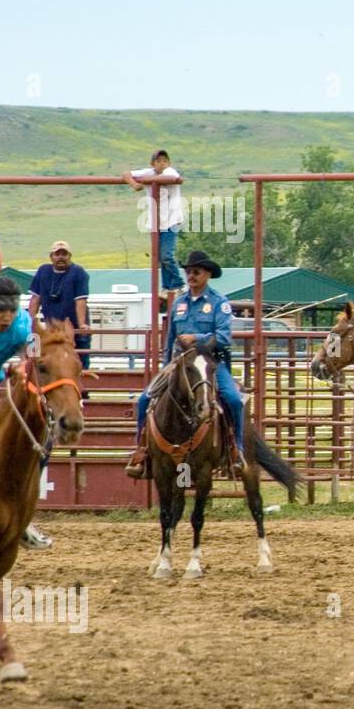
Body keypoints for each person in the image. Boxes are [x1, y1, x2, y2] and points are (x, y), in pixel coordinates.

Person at [125, 251, 245, 478]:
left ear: (207, 274)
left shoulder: (219, 303)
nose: (191, 275)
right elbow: (170, 340)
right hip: (179, 363)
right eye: (188, 271)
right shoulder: (179, 303)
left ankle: (236, 450)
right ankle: (142, 450)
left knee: (233, 400)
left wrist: (196, 339)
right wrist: (166, 366)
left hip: (209, 363)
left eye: (196, 271)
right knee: (144, 399)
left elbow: (224, 336)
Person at [0, 277, 55, 549]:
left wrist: (23, 366)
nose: (7, 317)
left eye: (12, 310)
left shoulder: (22, 325)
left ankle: (20, 517)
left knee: (38, 439)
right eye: (0, 310)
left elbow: (35, 355)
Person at [123, 150, 184, 302]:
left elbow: (171, 178)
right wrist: (135, 184)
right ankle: (167, 286)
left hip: (171, 220)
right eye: (158, 161)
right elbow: (126, 174)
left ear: (168, 163)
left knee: (167, 255)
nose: (162, 163)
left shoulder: (170, 171)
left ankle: (179, 284)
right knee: (159, 256)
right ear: (152, 164)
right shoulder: (148, 173)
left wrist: (146, 180)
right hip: (155, 222)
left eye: (164, 160)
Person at [28, 241, 91, 369]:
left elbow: (81, 301)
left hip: (74, 328)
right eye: (57, 254)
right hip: (52, 328)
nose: (61, 257)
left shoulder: (78, 272)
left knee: (79, 363)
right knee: (41, 357)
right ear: (51, 257)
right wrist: (30, 321)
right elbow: (35, 299)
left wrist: (82, 324)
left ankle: (82, 386)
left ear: (70, 256)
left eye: (64, 254)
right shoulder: (43, 271)